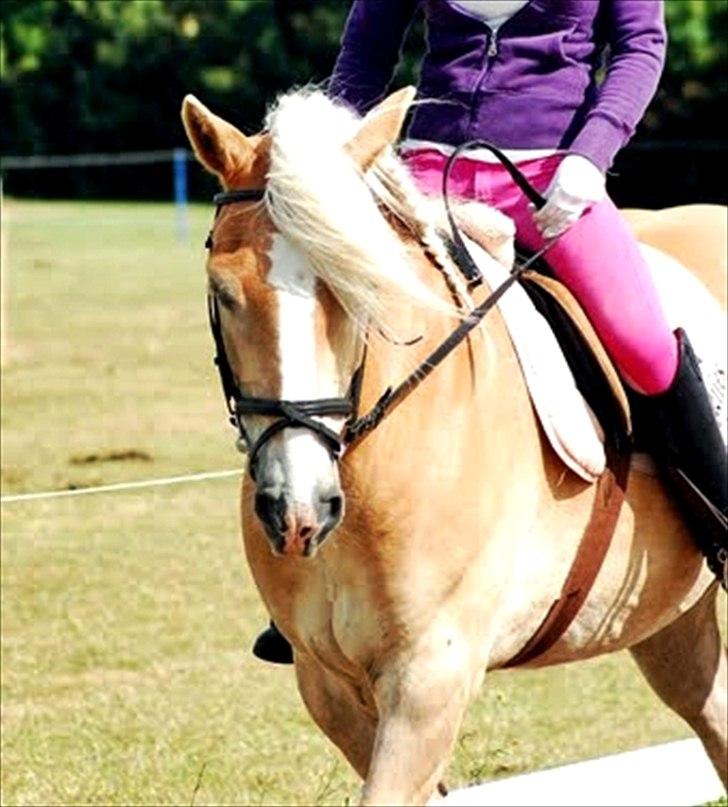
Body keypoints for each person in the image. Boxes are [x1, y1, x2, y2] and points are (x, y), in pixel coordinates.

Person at [252, 0, 727, 664]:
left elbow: (640, 47)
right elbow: (364, 55)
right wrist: (335, 165)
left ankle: (721, 526)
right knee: (324, 333)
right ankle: (305, 580)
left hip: (550, 182)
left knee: (644, 344)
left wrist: (591, 156)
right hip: (417, 178)